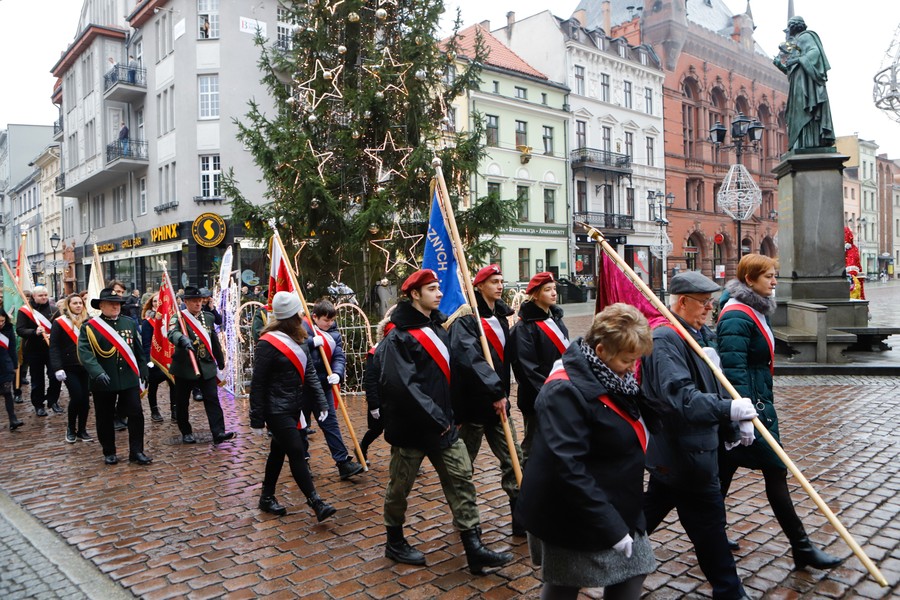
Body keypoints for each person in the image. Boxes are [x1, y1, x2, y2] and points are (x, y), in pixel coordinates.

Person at [517, 304, 656, 600]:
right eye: (627, 360)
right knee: (565, 582)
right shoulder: (564, 391)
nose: (632, 369)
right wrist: (611, 526)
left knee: (632, 571)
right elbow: (567, 466)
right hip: (571, 509)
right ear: (602, 350)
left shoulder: (610, 374)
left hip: (611, 497)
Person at [379, 269, 512, 574]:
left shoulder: (439, 329)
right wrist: (440, 418)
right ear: (415, 294)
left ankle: (474, 548)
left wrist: (456, 416)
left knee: (462, 480)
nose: (439, 293)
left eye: (439, 287)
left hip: (445, 427)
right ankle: (394, 540)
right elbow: (404, 387)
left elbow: (453, 377)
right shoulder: (398, 336)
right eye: (433, 289)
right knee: (400, 488)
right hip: (413, 429)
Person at [717, 254, 842, 570]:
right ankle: (801, 547)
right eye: (769, 276)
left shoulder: (756, 309)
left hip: (759, 402)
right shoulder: (736, 316)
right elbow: (734, 371)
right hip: (752, 408)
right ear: (750, 279)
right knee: (776, 470)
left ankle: (711, 534)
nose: (774, 281)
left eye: (775, 275)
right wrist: (744, 415)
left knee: (723, 473)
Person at [639, 271, 753, 600]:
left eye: (711, 303)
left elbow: (715, 385)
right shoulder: (666, 340)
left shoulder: (701, 335)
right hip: (685, 452)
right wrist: (728, 411)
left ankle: (610, 556)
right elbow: (681, 399)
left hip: (688, 452)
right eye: (703, 303)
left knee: (648, 514)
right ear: (682, 302)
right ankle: (730, 592)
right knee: (709, 525)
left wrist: (731, 425)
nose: (709, 309)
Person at [449, 264, 524, 536]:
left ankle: (520, 517)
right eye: (493, 281)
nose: (500, 285)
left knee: (513, 457)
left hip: (498, 405)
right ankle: (465, 517)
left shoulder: (502, 318)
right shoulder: (467, 320)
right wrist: (494, 392)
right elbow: (468, 358)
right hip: (474, 407)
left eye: (501, 280)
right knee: (463, 465)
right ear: (479, 286)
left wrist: (500, 394)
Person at [249, 291, 336, 521]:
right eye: (298, 312)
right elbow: (257, 383)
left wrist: (320, 401)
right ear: (290, 317)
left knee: (277, 453)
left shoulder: (300, 337)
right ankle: (316, 503)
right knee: (297, 451)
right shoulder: (267, 343)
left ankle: (266, 497)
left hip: (294, 406)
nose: (302, 315)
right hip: (276, 409)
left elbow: (309, 374)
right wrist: (257, 418)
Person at [77, 288, 151, 465]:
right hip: (104, 379)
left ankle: (137, 451)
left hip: (128, 377)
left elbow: (138, 350)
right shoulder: (90, 327)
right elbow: (85, 352)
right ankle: (109, 451)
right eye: (111, 303)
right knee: (104, 417)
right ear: (101, 305)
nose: (115, 306)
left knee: (136, 414)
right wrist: (97, 372)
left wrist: (144, 368)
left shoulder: (129, 323)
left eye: (117, 303)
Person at [509, 271, 569, 458]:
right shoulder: (524, 328)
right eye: (547, 290)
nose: (553, 293)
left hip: (562, 392)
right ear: (535, 294)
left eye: (554, 289)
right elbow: (528, 370)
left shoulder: (556, 320)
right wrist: (550, 394)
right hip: (538, 396)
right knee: (534, 444)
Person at [303, 299, 364, 480]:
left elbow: (338, 357)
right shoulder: (303, 328)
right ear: (315, 317)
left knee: (331, 424)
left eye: (331, 320)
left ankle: (342, 462)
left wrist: (337, 373)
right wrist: (311, 342)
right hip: (303, 387)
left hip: (323, 385)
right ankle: (302, 461)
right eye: (325, 320)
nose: (329, 324)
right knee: (301, 426)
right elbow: (293, 344)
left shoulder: (334, 334)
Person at [168, 286, 236, 445]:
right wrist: (182, 339)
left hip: (206, 366)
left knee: (212, 399)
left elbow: (213, 340)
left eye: (200, 300)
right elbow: (171, 333)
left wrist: (219, 360)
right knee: (183, 401)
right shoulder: (178, 317)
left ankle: (218, 431)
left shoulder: (208, 317)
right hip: (185, 366)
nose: (198, 304)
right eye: (194, 301)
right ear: (186, 302)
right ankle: (186, 431)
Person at [773, 16, 835, 151]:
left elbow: (815, 53)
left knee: (806, 111)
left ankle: (809, 142)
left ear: (793, 27)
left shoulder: (805, 37)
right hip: (798, 85)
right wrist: (781, 66)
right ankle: (801, 142)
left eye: (788, 30)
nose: (787, 33)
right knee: (796, 113)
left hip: (807, 86)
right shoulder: (796, 44)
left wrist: (797, 60)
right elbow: (793, 71)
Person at [50, 294, 92, 443]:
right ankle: (70, 428)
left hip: (86, 366)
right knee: (77, 397)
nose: (78, 305)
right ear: (68, 305)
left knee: (85, 400)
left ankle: (82, 429)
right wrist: (57, 368)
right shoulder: (59, 323)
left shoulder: (88, 321)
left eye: (80, 303)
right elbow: (54, 347)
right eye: (75, 303)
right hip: (68, 366)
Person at [16, 285, 62, 417]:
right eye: (41, 295)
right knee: (37, 379)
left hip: (51, 349)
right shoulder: (25, 311)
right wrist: (34, 332)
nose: (44, 297)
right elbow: (20, 330)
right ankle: (38, 404)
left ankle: (53, 400)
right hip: (33, 350)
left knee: (55, 376)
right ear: (34, 296)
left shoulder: (54, 310)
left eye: (45, 295)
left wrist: (51, 335)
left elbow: (59, 329)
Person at [359, 314, 393, 462]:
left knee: (397, 430)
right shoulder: (375, 353)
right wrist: (373, 405)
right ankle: (362, 448)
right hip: (380, 399)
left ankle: (401, 461)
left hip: (394, 399)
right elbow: (370, 380)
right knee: (376, 429)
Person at [140, 294, 171, 423]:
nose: (156, 303)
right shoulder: (148, 322)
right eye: (154, 301)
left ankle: (175, 409)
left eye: (159, 301)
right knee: (153, 386)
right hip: (155, 359)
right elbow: (146, 344)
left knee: (174, 384)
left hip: (169, 357)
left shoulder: (171, 319)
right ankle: (154, 410)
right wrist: (148, 361)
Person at [0, 309, 23, 432]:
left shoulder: (8, 328)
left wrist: (15, 366)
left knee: (7, 392)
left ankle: (13, 419)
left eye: (2, 321)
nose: (1, 324)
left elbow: (12, 349)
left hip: (5, 365)